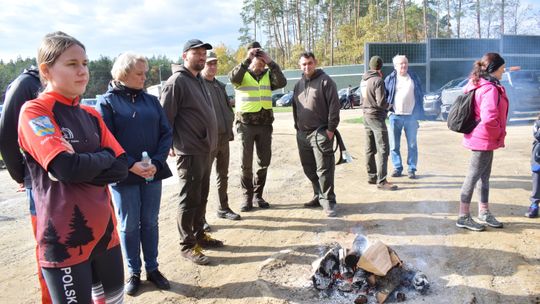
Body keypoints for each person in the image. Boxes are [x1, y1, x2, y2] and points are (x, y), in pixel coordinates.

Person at [18, 32, 128, 303]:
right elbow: (65, 168)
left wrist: (82, 163)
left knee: (114, 300)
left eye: (86, 63)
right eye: (72, 64)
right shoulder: (35, 111)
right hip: (64, 240)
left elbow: (122, 166)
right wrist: (103, 157)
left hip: (107, 235)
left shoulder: (91, 115)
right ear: (46, 69)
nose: (83, 71)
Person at [96, 52, 173, 295]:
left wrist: (158, 163)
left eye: (145, 72)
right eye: (140, 73)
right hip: (124, 174)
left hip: (152, 171)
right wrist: (130, 164)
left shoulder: (151, 101)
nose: (144, 77)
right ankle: (134, 272)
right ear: (123, 74)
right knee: (129, 225)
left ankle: (153, 268)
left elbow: (166, 132)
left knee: (150, 222)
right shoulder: (107, 102)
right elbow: (105, 139)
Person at [161, 39, 222, 266]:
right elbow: (166, 117)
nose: (202, 57)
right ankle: (187, 245)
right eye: (196, 53)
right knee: (189, 198)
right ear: (185, 55)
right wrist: (168, 144)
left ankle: (199, 234)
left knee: (202, 195)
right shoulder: (176, 82)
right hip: (189, 150)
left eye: (204, 53)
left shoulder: (199, 80)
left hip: (206, 149)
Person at [0, 66, 54, 303]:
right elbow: (6, 133)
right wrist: (21, 174)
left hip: (65, 179)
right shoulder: (26, 84)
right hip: (39, 181)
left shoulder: (62, 84)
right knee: (49, 245)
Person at [228, 41, 286, 211]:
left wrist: (271, 62)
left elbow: (282, 82)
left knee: (264, 162)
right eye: (256, 60)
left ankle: (258, 196)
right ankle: (247, 197)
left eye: (262, 61)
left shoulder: (268, 74)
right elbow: (233, 78)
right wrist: (247, 59)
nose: (260, 65)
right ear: (250, 59)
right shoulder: (242, 74)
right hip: (246, 125)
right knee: (246, 163)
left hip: (265, 125)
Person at [456, 52, 508, 231]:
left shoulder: (482, 83)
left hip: (483, 138)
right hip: (483, 138)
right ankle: (463, 216)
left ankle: (484, 212)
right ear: (493, 69)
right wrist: (498, 133)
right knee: (473, 177)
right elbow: (489, 118)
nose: (503, 71)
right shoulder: (489, 88)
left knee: (483, 177)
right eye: (502, 68)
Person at [292, 52, 340, 217]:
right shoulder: (298, 85)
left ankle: (329, 202)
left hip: (320, 132)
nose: (307, 67)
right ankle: (318, 195)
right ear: (300, 66)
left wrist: (330, 130)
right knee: (309, 168)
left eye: (310, 63)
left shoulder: (326, 81)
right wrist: (297, 128)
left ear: (315, 62)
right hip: (302, 134)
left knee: (324, 169)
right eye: (304, 64)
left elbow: (334, 107)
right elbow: (295, 108)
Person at [201, 50, 241, 231]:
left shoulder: (219, 85)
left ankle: (223, 208)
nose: (212, 66)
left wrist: (229, 130)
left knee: (222, 176)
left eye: (215, 63)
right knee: (203, 179)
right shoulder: (198, 85)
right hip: (207, 141)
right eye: (209, 63)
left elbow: (226, 109)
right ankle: (200, 218)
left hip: (223, 138)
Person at [384, 55, 425, 179]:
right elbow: (385, 95)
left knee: (412, 144)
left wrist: (418, 112)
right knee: (394, 145)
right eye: (401, 63)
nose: (404, 65)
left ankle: (412, 168)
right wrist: (388, 110)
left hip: (411, 117)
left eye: (405, 63)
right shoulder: (390, 79)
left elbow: (420, 94)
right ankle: (397, 168)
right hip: (395, 116)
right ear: (395, 66)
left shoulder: (413, 77)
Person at [361, 56, 397, 191]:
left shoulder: (364, 80)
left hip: (366, 115)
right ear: (380, 66)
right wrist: (390, 106)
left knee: (370, 148)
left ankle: (372, 176)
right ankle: (381, 181)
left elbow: (362, 99)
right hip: (376, 117)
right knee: (383, 148)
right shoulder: (378, 80)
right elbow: (380, 102)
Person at [527, 115, 540, 218]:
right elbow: (537, 135)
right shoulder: (538, 123)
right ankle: (534, 204)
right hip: (538, 155)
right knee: (537, 179)